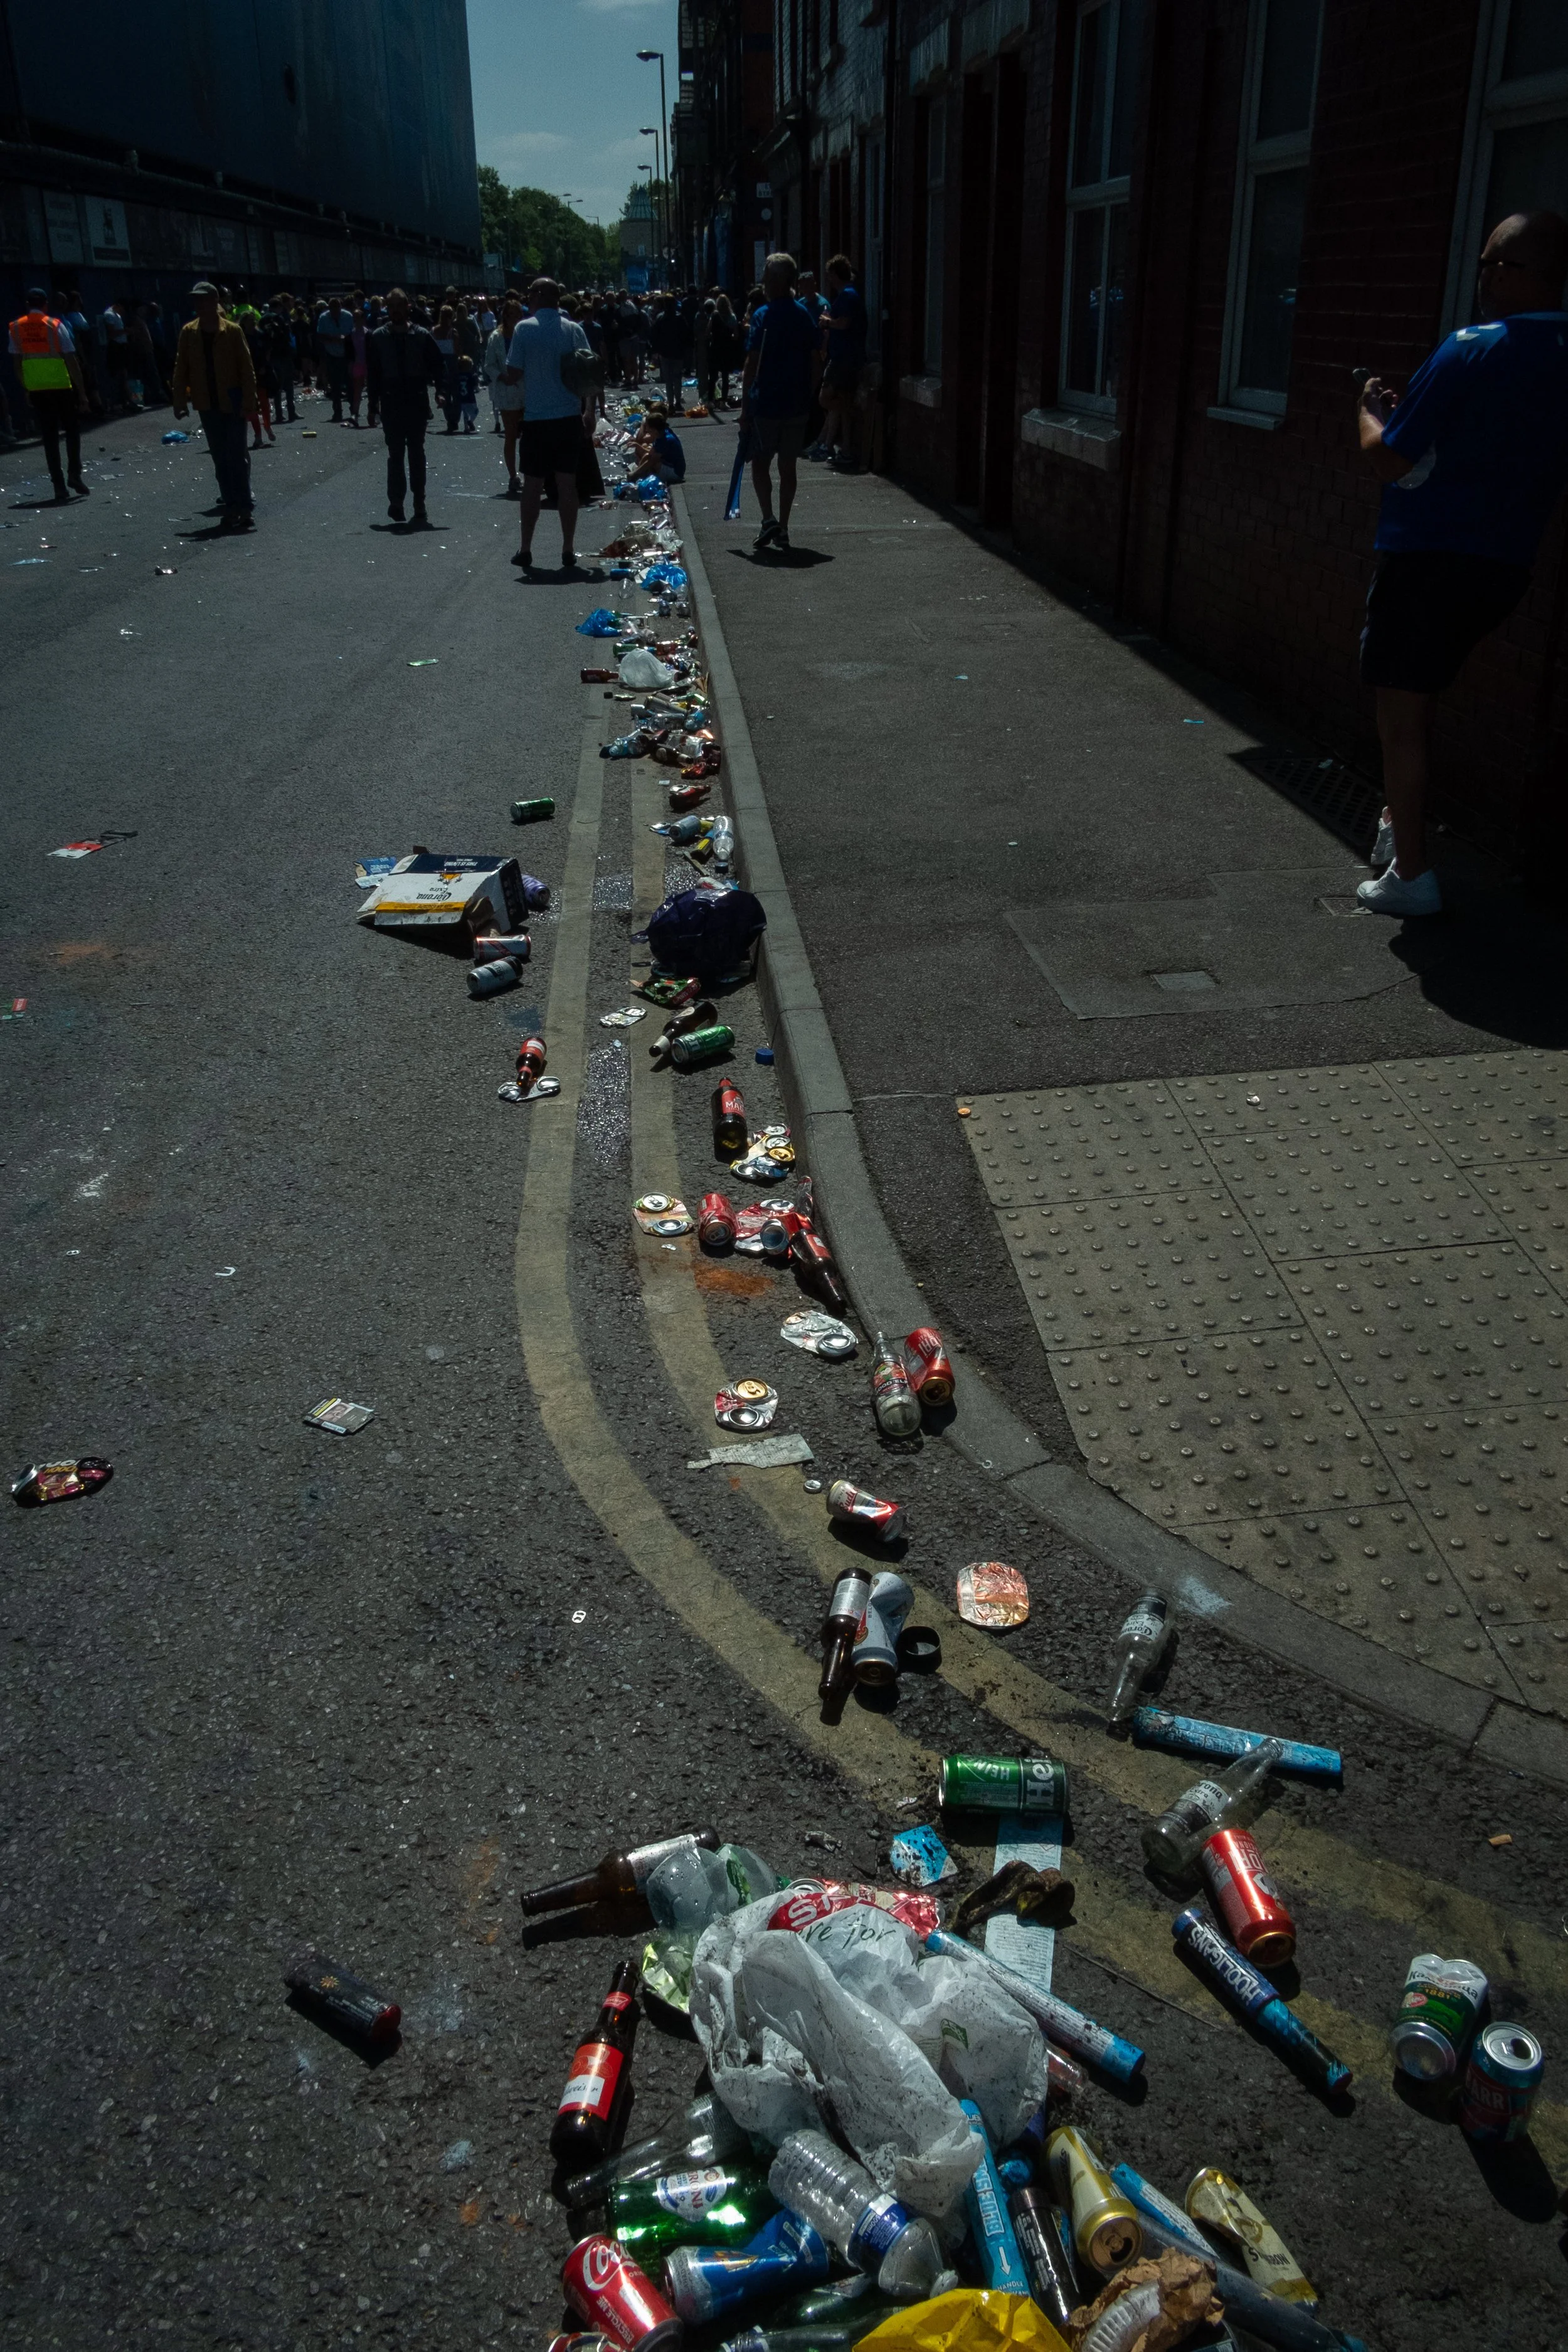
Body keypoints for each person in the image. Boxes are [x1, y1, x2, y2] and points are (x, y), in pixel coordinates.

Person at [1353, 208, 1568, 917]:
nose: (1483, 277)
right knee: (1422, 695)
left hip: (1426, 560)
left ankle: (1409, 877)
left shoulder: (1469, 347)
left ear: (1522, 274)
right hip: (1504, 566)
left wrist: (1369, 412)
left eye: (1493, 264)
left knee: (1400, 717)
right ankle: (1395, 824)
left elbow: (1388, 459)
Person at [502, 274, 592, 571]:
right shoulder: (573, 330)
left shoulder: (524, 330)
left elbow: (514, 372)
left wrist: (500, 376)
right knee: (567, 485)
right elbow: (591, 373)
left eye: (530, 294)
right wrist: (589, 411)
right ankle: (568, 548)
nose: (527, 298)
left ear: (539, 296)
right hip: (568, 417)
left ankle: (526, 548)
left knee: (533, 485)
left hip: (538, 419)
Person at [739, 251, 824, 553]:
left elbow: (752, 365)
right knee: (789, 468)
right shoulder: (805, 316)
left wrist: (745, 409)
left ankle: (768, 518)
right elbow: (816, 362)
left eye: (766, 276)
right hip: (797, 406)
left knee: (760, 463)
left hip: (767, 406)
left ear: (777, 281)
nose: (762, 282)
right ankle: (784, 527)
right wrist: (808, 394)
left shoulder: (763, 316)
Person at [169, 282, 258, 531]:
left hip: (233, 402)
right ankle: (231, 507)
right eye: (196, 301)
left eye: (203, 300)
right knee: (220, 458)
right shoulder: (189, 333)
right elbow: (181, 369)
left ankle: (244, 507)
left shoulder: (231, 331)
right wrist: (179, 401)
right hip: (207, 404)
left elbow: (246, 369)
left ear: (214, 301)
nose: (198, 306)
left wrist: (250, 403)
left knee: (237, 456)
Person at [365, 287, 443, 524]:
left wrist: (442, 391)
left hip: (416, 400)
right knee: (395, 454)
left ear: (408, 308)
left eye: (400, 306)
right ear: (387, 308)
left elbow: (438, 365)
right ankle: (396, 502)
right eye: (392, 307)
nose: (396, 311)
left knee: (417, 453)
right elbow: (374, 374)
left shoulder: (421, 335)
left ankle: (419, 503)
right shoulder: (378, 337)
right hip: (391, 401)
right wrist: (372, 406)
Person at [6, 288, 90, 501]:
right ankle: (75, 474)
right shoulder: (55, 326)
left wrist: (26, 387)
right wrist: (82, 393)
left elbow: (17, 363)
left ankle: (59, 486)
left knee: (50, 438)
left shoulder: (16, 328)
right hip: (61, 386)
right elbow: (71, 359)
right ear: (45, 305)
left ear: (27, 305)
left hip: (37, 390)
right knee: (72, 431)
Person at [815, 253, 867, 470]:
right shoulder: (849, 294)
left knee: (825, 399)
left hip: (843, 358)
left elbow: (844, 324)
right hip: (846, 356)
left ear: (836, 274)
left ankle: (850, 410)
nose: (828, 279)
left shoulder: (847, 295)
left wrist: (827, 321)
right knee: (841, 400)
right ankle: (845, 449)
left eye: (829, 275)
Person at [485, 294, 526, 493]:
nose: (514, 319)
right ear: (505, 316)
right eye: (510, 315)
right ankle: (513, 476)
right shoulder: (496, 338)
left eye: (517, 314)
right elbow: (489, 365)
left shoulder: (527, 334)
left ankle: (534, 474)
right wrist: (502, 376)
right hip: (507, 390)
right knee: (511, 435)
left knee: (530, 435)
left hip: (527, 390)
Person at [315, 293, 352, 422]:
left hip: (346, 354)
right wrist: (332, 339)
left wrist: (345, 339)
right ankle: (337, 412)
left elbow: (354, 334)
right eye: (333, 309)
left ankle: (354, 410)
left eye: (337, 309)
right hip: (331, 354)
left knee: (350, 383)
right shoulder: (324, 318)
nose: (335, 312)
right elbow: (320, 336)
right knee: (335, 385)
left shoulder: (348, 317)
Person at [632, 403, 686, 484]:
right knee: (648, 456)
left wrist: (634, 473)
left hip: (676, 473)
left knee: (653, 462)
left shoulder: (665, 439)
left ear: (654, 429)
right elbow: (649, 454)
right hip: (669, 466)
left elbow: (652, 459)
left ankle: (639, 476)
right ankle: (642, 476)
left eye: (648, 428)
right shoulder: (660, 434)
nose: (646, 430)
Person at [709, 293, 743, 406]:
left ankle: (711, 400)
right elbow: (736, 335)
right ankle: (724, 400)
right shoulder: (732, 317)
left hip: (715, 348)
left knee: (713, 375)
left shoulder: (714, 315)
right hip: (727, 349)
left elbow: (708, 331)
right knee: (725, 376)